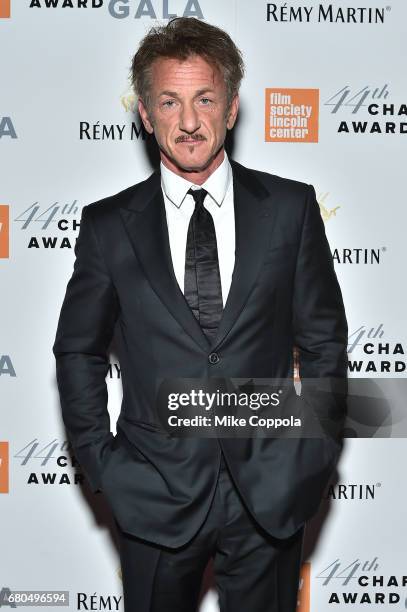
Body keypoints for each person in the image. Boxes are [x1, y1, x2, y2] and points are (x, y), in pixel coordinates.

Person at [52, 16, 348, 612]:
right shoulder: (109, 226)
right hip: (153, 492)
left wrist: (310, 458)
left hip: (269, 491)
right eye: (169, 101)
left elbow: (324, 343)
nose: (188, 121)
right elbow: (77, 349)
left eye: (204, 99)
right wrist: (103, 463)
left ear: (232, 108)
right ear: (145, 113)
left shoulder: (290, 209)